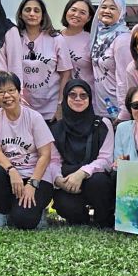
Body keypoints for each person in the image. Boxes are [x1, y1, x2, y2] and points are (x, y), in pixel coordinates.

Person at [0, 71, 55, 230]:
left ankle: (38, 211)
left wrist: (32, 184)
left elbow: (45, 155)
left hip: (37, 176)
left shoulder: (34, 117)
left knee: (24, 221)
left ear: (19, 92)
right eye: (0, 92)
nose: (6, 95)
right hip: (11, 175)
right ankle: (2, 213)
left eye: (11, 90)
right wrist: (11, 170)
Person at [48, 78, 115, 227]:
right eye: (72, 95)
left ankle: (103, 219)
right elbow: (53, 162)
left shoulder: (103, 124)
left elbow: (106, 160)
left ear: (90, 99)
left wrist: (82, 173)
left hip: (94, 179)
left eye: (83, 95)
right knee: (66, 206)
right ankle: (82, 218)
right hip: (68, 182)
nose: (78, 99)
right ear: (65, 98)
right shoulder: (56, 129)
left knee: (99, 182)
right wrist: (59, 180)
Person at [6, 0, 71, 123]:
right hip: (23, 109)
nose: (32, 14)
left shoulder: (56, 39)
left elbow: (66, 73)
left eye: (36, 10)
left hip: (51, 110)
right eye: (27, 10)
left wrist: (60, 104)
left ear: (43, 15)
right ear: (20, 14)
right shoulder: (14, 38)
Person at [90, 0, 132, 123]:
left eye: (113, 8)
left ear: (121, 13)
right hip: (101, 105)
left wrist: (124, 112)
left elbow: (125, 77)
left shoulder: (123, 39)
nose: (107, 11)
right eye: (103, 7)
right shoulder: (99, 34)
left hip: (117, 108)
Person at [56, 0, 95, 93]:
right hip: (57, 98)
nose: (76, 15)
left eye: (82, 12)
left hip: (85, 98)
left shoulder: (92, 40)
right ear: (66, 11)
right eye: (73, 10)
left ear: (89, 18)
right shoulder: (54, 38)